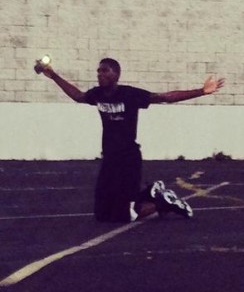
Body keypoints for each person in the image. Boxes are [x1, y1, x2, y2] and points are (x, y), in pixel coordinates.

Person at [36, 57, 224, 223]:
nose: (100, 74)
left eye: (105, 71)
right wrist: (53, 75)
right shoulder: (97, 94)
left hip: (128, 160)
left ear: (116, 75)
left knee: (126, 214)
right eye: (98, 71)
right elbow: (78, 96)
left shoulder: (130, 94)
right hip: (109, 159)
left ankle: (164, 202)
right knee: (102, 214)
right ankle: (150, 192)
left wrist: (201, 91)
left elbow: (164, 97)